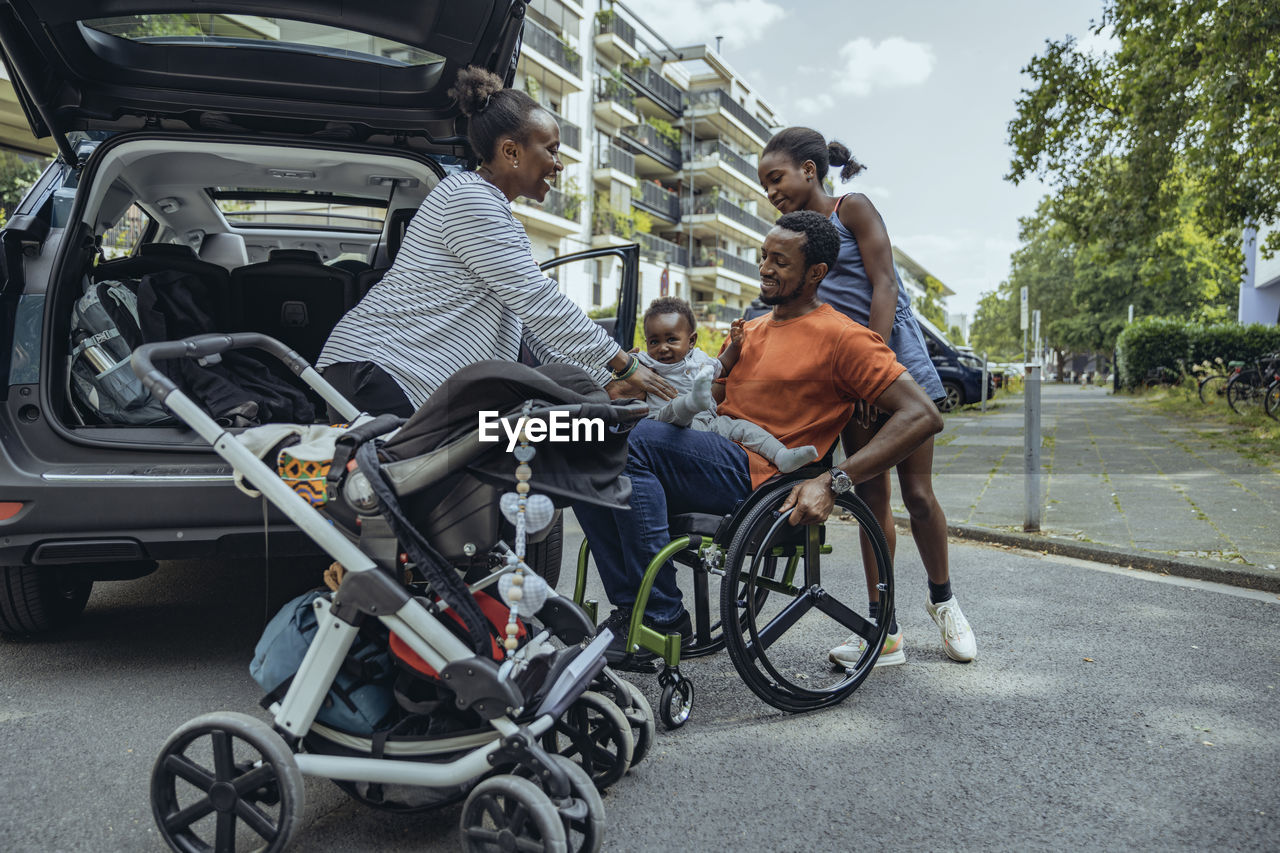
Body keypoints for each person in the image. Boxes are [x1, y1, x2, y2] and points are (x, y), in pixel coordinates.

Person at [573, 211, 943, 660]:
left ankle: (661, 615)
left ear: (816, 273)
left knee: (631, 442)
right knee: (587, 444)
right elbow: (705, 401)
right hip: (712, 451)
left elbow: (922, 415)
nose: (766, 268)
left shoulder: (845, 337)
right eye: (764, 256)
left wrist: (834, 480)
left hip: (764, 476)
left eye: (781, 262)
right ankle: (633, 609)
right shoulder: (747, 332)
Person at [317, 65, 675, 418]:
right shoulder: (468, 199)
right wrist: (623, 365)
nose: (558, 164)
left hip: (396, 376)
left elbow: (531, 323)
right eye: (551, 150)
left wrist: (605, 381)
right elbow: (536, 298)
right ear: (511, 152)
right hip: (383, 374)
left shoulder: (494, 214)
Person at [758, 127, 977, 665]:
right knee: (870, 502)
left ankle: (944, 601)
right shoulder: (791, 234)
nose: (770, 191)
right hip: (848, 381)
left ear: (809, 170)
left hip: (894, 367)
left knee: (919, 496)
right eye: (763, 183)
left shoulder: (851, 209)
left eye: (776, 177)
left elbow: (885, 284)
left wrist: (875, 367)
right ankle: (886, 629)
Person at [638, 297, 818, 473]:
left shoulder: (700, 360)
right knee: (673, 409)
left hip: (707, 424)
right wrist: (626, 367)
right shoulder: (646, 362)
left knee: (740, 427)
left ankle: (781, 455)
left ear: (691, 341)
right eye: (654, 342)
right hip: (664, 424)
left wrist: (736, 345)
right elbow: (622, 369)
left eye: (671, 340)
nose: (662, 348)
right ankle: (692, 401)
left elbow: (723, 366)